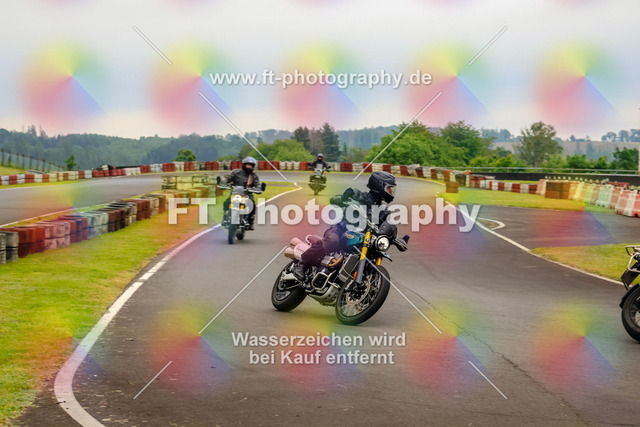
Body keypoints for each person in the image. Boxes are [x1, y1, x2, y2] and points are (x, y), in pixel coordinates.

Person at [293, 171, 397, 281]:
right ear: (379, 186)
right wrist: (343, 198)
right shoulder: (358, 195)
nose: (391, 192)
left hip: (363, 238)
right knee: (333, 241)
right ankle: (302, 265)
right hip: (342, 229)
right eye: (389, 188)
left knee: (373, 253)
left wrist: (395, 237)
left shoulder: (384, 211)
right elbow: (334, 200)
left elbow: (385, 227)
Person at [222, 156, 261, 230]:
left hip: (247, 194)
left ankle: (251, 221)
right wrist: (224, 183)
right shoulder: (236, 172)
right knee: (226, 202)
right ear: (244, 165)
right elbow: (227, 179)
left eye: (251, 165)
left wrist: (258, 188)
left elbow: (257, 184)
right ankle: (225, 217)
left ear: (253, 166)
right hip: (236, 193)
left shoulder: (253, 175)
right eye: (247, 165)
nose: (249, 167)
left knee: (252, 205)